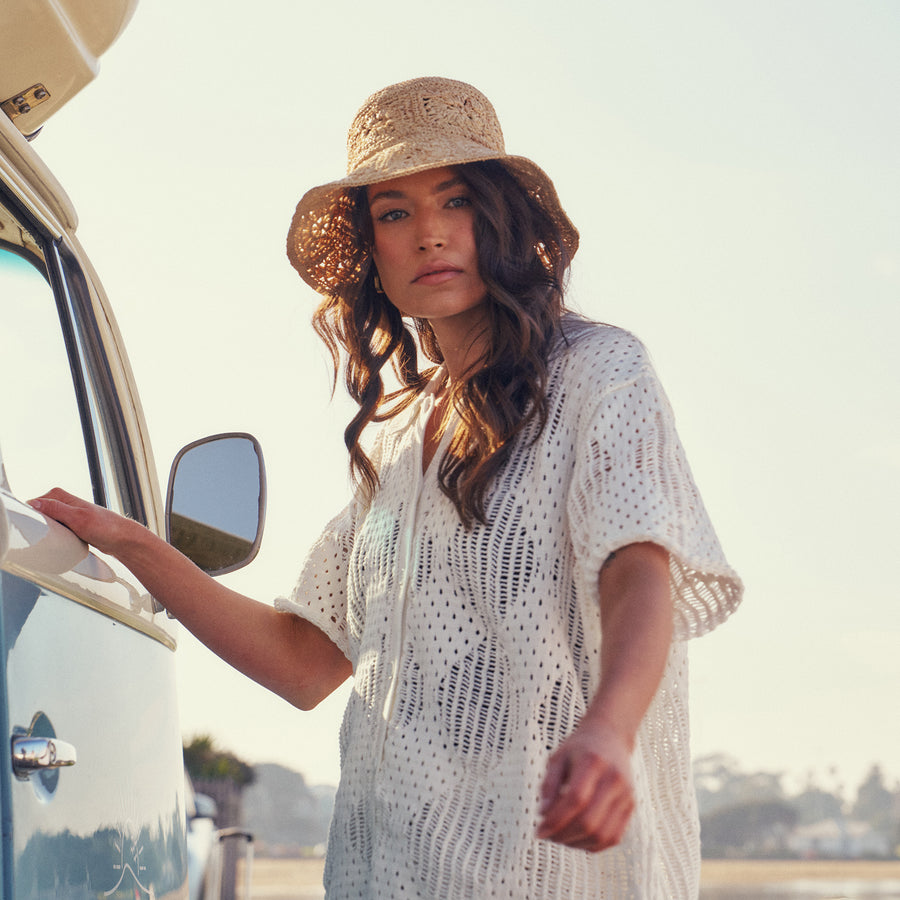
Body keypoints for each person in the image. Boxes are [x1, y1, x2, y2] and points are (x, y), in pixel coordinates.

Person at [32, 77, 743, 898]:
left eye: (457, 201)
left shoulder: (598, 374)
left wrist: (611, 731)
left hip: (549, 876)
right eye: (395, 213)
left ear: (502, 220)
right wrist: (131, 544)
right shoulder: (396, 439)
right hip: (390, 875)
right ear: (373, 249)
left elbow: (637, 566)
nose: (430, 236)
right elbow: (304, 662)